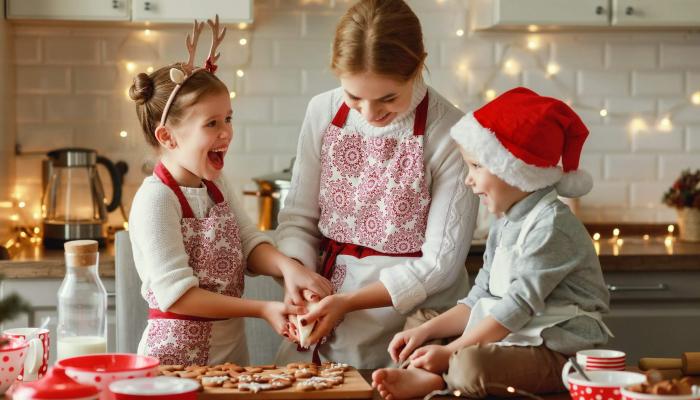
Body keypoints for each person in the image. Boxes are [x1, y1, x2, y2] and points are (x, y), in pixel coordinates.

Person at [274, 0, 479, 368]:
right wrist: (299, 275)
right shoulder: (322, 111)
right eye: (354, 97)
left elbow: (440, 265)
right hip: (323, 310)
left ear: (418, 66)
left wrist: (348, 303)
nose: (370, 114)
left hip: (416, 326)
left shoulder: (450, 131)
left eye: (388, 98)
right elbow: (298, 220)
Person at [372, 87, 612, 399]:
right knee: (422, 320)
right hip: (513, 335)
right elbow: (480, 299)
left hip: (558, 351)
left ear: (515, 171)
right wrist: (425, 332)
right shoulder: (506, 221)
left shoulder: (551, 226)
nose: (468, 179)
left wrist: (453, 351)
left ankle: (439, 378)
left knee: (470, 363)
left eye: (476, 166)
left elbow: (517, 306)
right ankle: (429, 372)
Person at [127, 17, 331, 366]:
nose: (226, 133)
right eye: (211, 123)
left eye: (228, 119)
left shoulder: (216, 185)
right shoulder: (156, 199)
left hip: (231, 356)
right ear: (168, 137)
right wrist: (262, 308)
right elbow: (178, 297)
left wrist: (287, 267)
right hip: (175, 363)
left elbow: (248, 243)